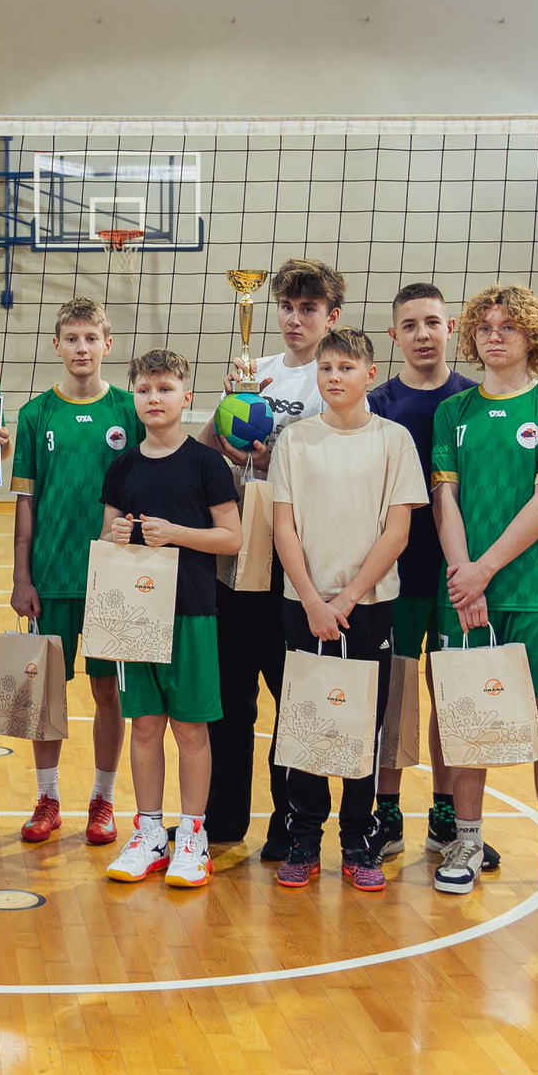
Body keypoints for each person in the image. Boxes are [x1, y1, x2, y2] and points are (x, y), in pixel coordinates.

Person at [428, 283, 538, 910]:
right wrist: (463, 575)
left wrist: (484, 570)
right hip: (463, 589)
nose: (494, 336)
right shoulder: (453, 412)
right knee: (469, 715)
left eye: (509, 327)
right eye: (485, 327)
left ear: (533, 337)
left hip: (533, 590)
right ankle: (467, 842)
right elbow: (445, 499)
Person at [269, 328, 426, 893]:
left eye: (346, 368)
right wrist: (314, 600)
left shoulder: (394, 440)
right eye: (326, 368)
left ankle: (359, 840)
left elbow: (398, 531)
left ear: (370, 374)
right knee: (307, 721)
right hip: (304, 605)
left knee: (364, 725)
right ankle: (304, 839)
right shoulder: (295, 440)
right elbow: (283, 527)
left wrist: (347, 598)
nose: (333, 377)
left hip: (370, 604)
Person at [198, 259, 343, 856]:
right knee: (231, 695)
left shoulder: (334, 376)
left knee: (294, 694)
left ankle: (292, 820)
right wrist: (228, 413)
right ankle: (222, 818)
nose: (294, 319)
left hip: (301, 558)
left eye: (308, 309)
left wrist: (274, 454)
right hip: (241, 553)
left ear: (331, 317)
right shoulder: (252, 370)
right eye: (286, 307)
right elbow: (209, 447)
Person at [365, 283, 494, 872]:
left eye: (432, 323)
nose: (422, 334)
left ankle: (447, 815)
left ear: (451, 328)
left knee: (452, 695)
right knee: (395, 694)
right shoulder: (377, 403)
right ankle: (387, 812)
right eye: (410, 325)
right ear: (394, 335)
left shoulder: (473, 400)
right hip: (393, 573)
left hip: (456, 576)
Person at [101, 349, 241, 889]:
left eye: (164, 389)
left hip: (192, 611)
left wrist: (176, 534)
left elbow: (232, 538)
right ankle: (150, 833)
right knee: (145, 726)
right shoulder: (122, 467)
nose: (154, 398)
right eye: (144, 390)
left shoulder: (206, 464)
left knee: (190, 727)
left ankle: (193, 836)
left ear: (187, 397)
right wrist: (116, 535)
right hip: (136, 615)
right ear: (133, 398)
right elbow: (107, 535)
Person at [10, 297, 140, 847]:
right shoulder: (35, 414)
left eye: (91, 338)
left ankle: (103, 799)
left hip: (112, 579)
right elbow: (25, 504)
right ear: (56, 346)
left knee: (108, 690)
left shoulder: (130, 410)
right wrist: (21, 576)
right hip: (50, 575)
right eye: (72, 338)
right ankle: (47, 798)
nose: (82, 348)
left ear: (107, 345)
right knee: (45, 696)